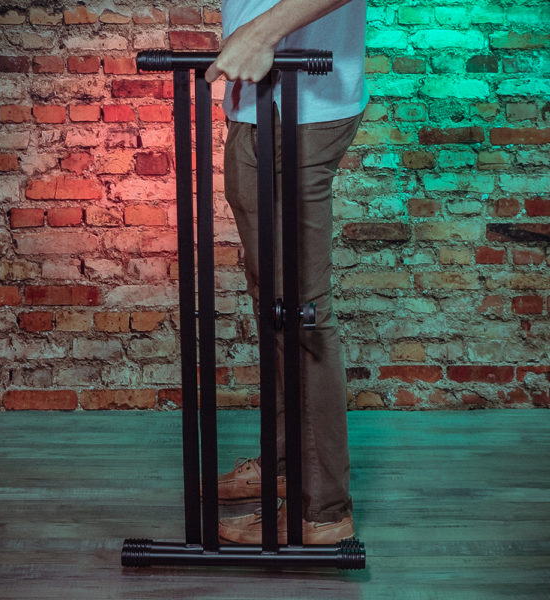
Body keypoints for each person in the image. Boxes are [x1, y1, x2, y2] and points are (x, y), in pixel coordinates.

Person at [203, 0, 370, 544]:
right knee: (273, 300)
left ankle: (321, 511)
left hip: (301, 103)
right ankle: (284, 469)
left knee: (300, 309)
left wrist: (260, 31)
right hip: (264, 100)